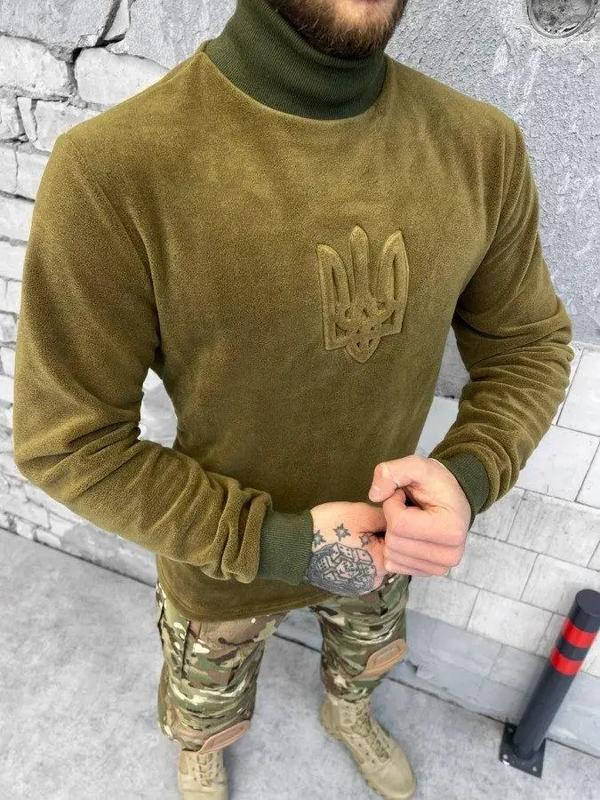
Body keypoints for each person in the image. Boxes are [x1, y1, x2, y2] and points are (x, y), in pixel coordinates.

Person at [12, 0, 574, 797]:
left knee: (366, 666)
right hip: (221, 560)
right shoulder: (117, 172)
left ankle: (349, 714)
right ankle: (202, 747)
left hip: (388, 544)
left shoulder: (480, 148)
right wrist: (278, 545)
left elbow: (527, 345)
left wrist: (469, 476)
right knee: (204, 704)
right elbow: (68, 443)